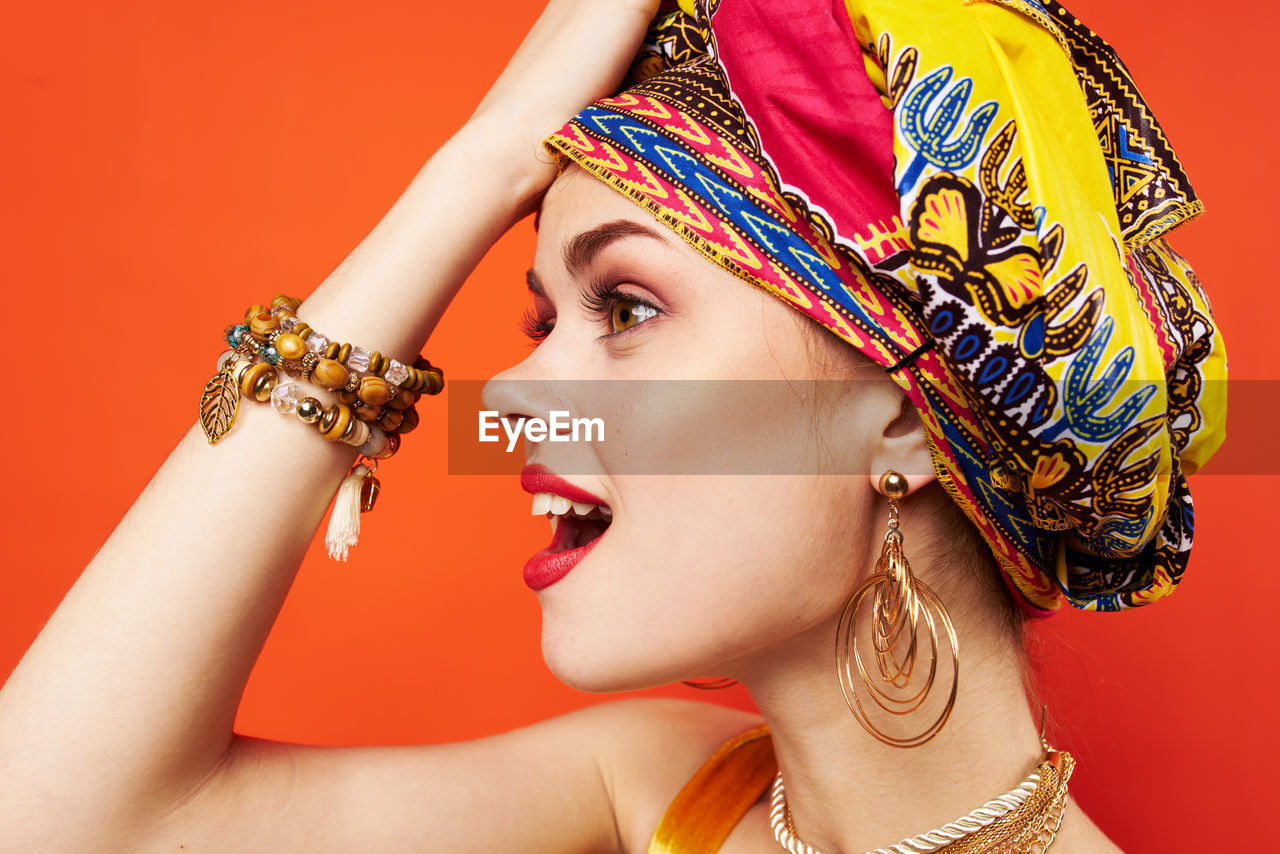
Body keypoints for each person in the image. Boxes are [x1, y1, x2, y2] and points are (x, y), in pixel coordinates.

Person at [0, 0, 1226, 852]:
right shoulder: (651, 790)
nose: (515, 395)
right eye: (543, 320)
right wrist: (475, 165)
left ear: (902, 422)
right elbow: (53, 816)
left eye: (627, 307)